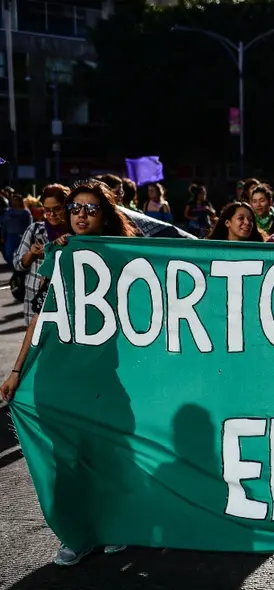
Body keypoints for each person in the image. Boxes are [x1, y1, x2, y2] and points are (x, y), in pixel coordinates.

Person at [0, 180, 137, 566]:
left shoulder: (125, 256)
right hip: (58, 375)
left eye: (91, 209)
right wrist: (16, 370)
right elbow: (41, 318)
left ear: (106, 216)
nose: (81, 215)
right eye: (75, 208)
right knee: (66, 459)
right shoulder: (60, 255)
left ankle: (112, 526)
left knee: (107, 456)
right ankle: (76, 535)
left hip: (104, 376)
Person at [13, 184, 70, 324]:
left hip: (66, 299)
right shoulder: (34, 230)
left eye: (57, 209)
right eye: (47, 210)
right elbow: (18, 264)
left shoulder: (76, 233)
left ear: (67, 207)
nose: (52, 214)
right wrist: (31, 253)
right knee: (34, 335)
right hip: (36, 298)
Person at [2, 194, 33, 267]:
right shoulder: (8, 212)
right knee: (8, 254)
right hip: (10, 236)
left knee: (21, 253)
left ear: (20, 201)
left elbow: (29, 225)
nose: (14, 202)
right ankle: (13, 267)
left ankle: (19, 268)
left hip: (21, 236)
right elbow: (4, 224)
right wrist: (2, 236)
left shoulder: (25, 212)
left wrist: (29, 236)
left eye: (16, 200)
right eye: (13, 200)